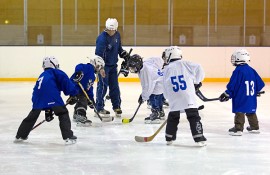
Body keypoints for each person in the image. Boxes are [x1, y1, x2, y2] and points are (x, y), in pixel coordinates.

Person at [15, 56, 79, 144]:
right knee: (62, 113)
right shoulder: (56, 72)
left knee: (32, 116)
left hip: (37, 98)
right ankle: (68, 136)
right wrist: (74, 94)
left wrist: (48, 110)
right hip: (52, 96)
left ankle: (21, 135)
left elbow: (42, 91)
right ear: (54, 64)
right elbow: (66, 83)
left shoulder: (42, 75)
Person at [162, 46, 207, 146]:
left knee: (173, 117)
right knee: (193, 116)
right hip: (187, 96)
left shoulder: (167, 69)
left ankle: (169, 138)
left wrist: (167, 98)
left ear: (170, 55)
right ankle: (199, 138)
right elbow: (199, 67)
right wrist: (196, 81)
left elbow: (164, 85)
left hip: (174, 97)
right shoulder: (186, 63)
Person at [219, 49, 265, 136]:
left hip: (241, 96)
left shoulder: (238, 70)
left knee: (239, 110)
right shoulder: (252, 70)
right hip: (251, 96)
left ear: (239, 58)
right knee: (251, 111)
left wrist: (227, 93)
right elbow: (260, 83)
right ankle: (254, 127)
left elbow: (233, 84)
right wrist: (256, 91)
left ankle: (238, 129)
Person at [95, 18, 130, 118]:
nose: (110, 32)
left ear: (116, 29)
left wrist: (124, 54)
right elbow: (98, 56)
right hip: (104, 67)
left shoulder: (117, 35)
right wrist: (100, 68)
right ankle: (99, 107)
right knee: (102, 86)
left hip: (113, 66)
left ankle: (116, 106)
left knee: (115, 87)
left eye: (112, 30)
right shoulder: (101, 39)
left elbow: (119, 49)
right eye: (108, 30)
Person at [128, 54, 165, 124]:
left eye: (134, 68)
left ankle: (156, 114)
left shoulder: (145, 72)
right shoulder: (146, 63)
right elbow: (156, 59)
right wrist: (163, 64)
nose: (133, 70)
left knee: (152, 96)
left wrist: (143, 97)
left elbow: (148, 88)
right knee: (158, 96)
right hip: (162, 81)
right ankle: (160, 111)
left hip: (158, 84)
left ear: (138, 65)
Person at [70, 55, 105, 126]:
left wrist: (91, 100)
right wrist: (79, 73)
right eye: (100, 66)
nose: (100, 69)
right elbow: (79, 66)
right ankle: (81, 115)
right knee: (83, 99)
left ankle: (76, 115)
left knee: (83, 99)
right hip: (74, 87)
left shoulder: (93, 76)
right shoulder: (87, 67)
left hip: (80, 91)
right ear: (96, 64)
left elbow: (89, 88)